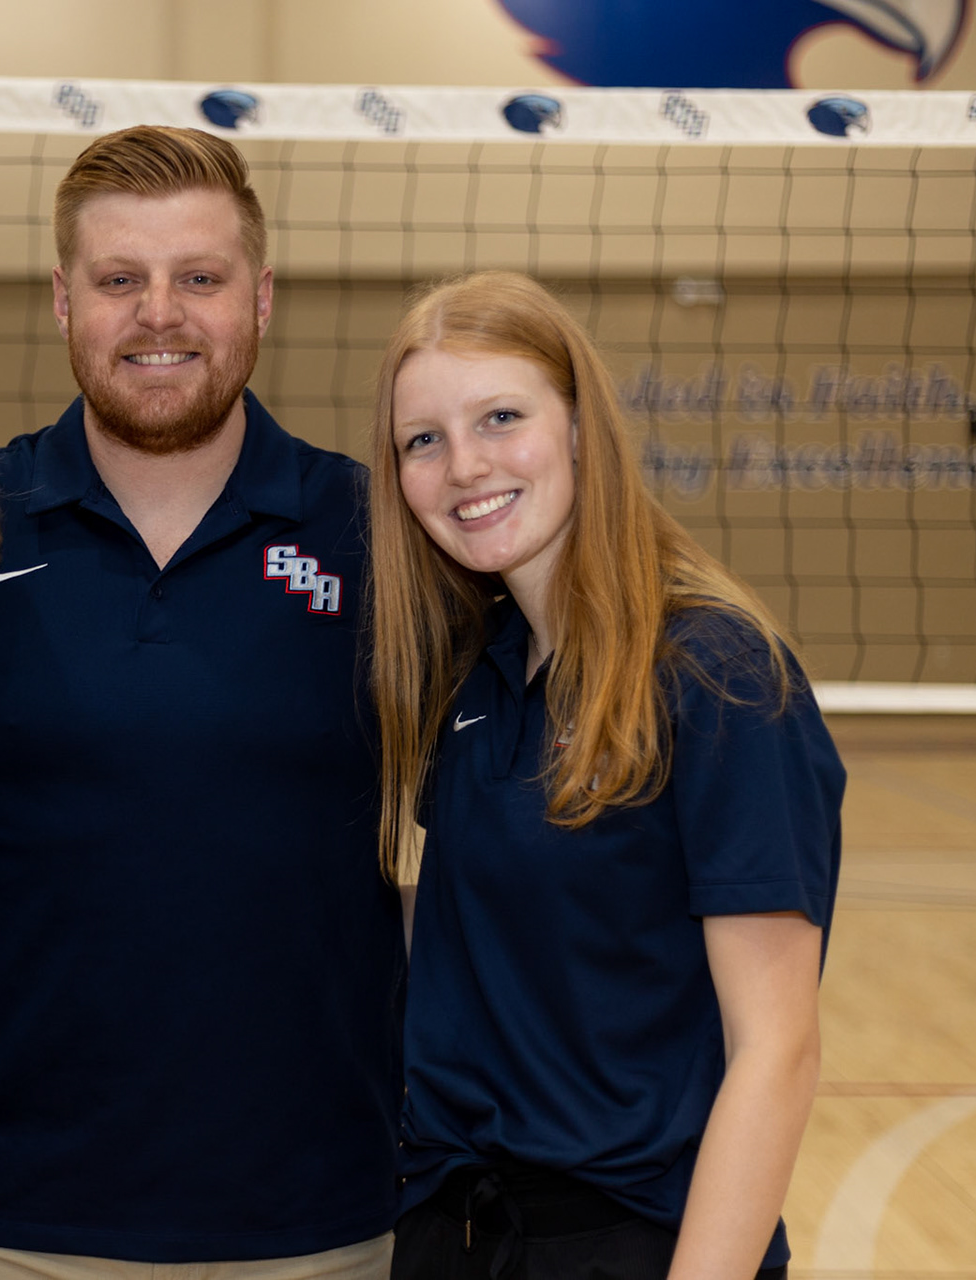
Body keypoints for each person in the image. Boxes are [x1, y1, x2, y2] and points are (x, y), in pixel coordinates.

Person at [0, 126, 405, 1280]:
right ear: (62, 298)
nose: (160, 314)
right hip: (4, 1216)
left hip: (323, 1214)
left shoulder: (379, 529)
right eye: (119, 279)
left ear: (262, 295)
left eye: (200, 276)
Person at [369, 270, 843, 1280]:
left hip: (634, 1237)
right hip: (457, 1222)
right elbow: (510, 916)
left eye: (501, 416)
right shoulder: (479, 665)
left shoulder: (718, 675)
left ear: (581, 427)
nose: (464, 465)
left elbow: (778, 1051)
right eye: (424, 439)